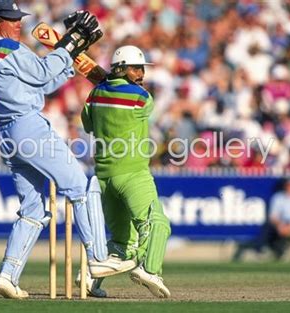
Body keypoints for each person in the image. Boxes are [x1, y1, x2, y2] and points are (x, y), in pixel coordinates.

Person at [0, 1, 135, 299]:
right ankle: (98, 259)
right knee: (81, 186)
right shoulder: (6, 49)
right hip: (28, 127)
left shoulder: (2, 53)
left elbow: (43, 83)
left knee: (33, 209)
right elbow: (42, 73)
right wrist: (67, 46)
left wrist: (70, 56)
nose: (17, 24)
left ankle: (7, 275)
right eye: (10, 19)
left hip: (10, 134)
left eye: (18, 19)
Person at [81, 45, 172, 298]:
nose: (141, 73)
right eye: (135, 68)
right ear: (121, 69)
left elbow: (87, 124)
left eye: (142, 68)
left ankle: (89, 279)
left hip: (104, 178)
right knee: (157, 224)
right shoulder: (141, 97)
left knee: (122, 243)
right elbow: (145, 106)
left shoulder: (94, 95)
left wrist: (105, 86)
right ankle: (150, 270)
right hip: (133, 173)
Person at [232, 178, 290, 261]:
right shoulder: (278, 197)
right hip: (282, 224)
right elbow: (273, 216)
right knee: (268, 227)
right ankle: (261, 250)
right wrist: (280, 226)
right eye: (288, 185)